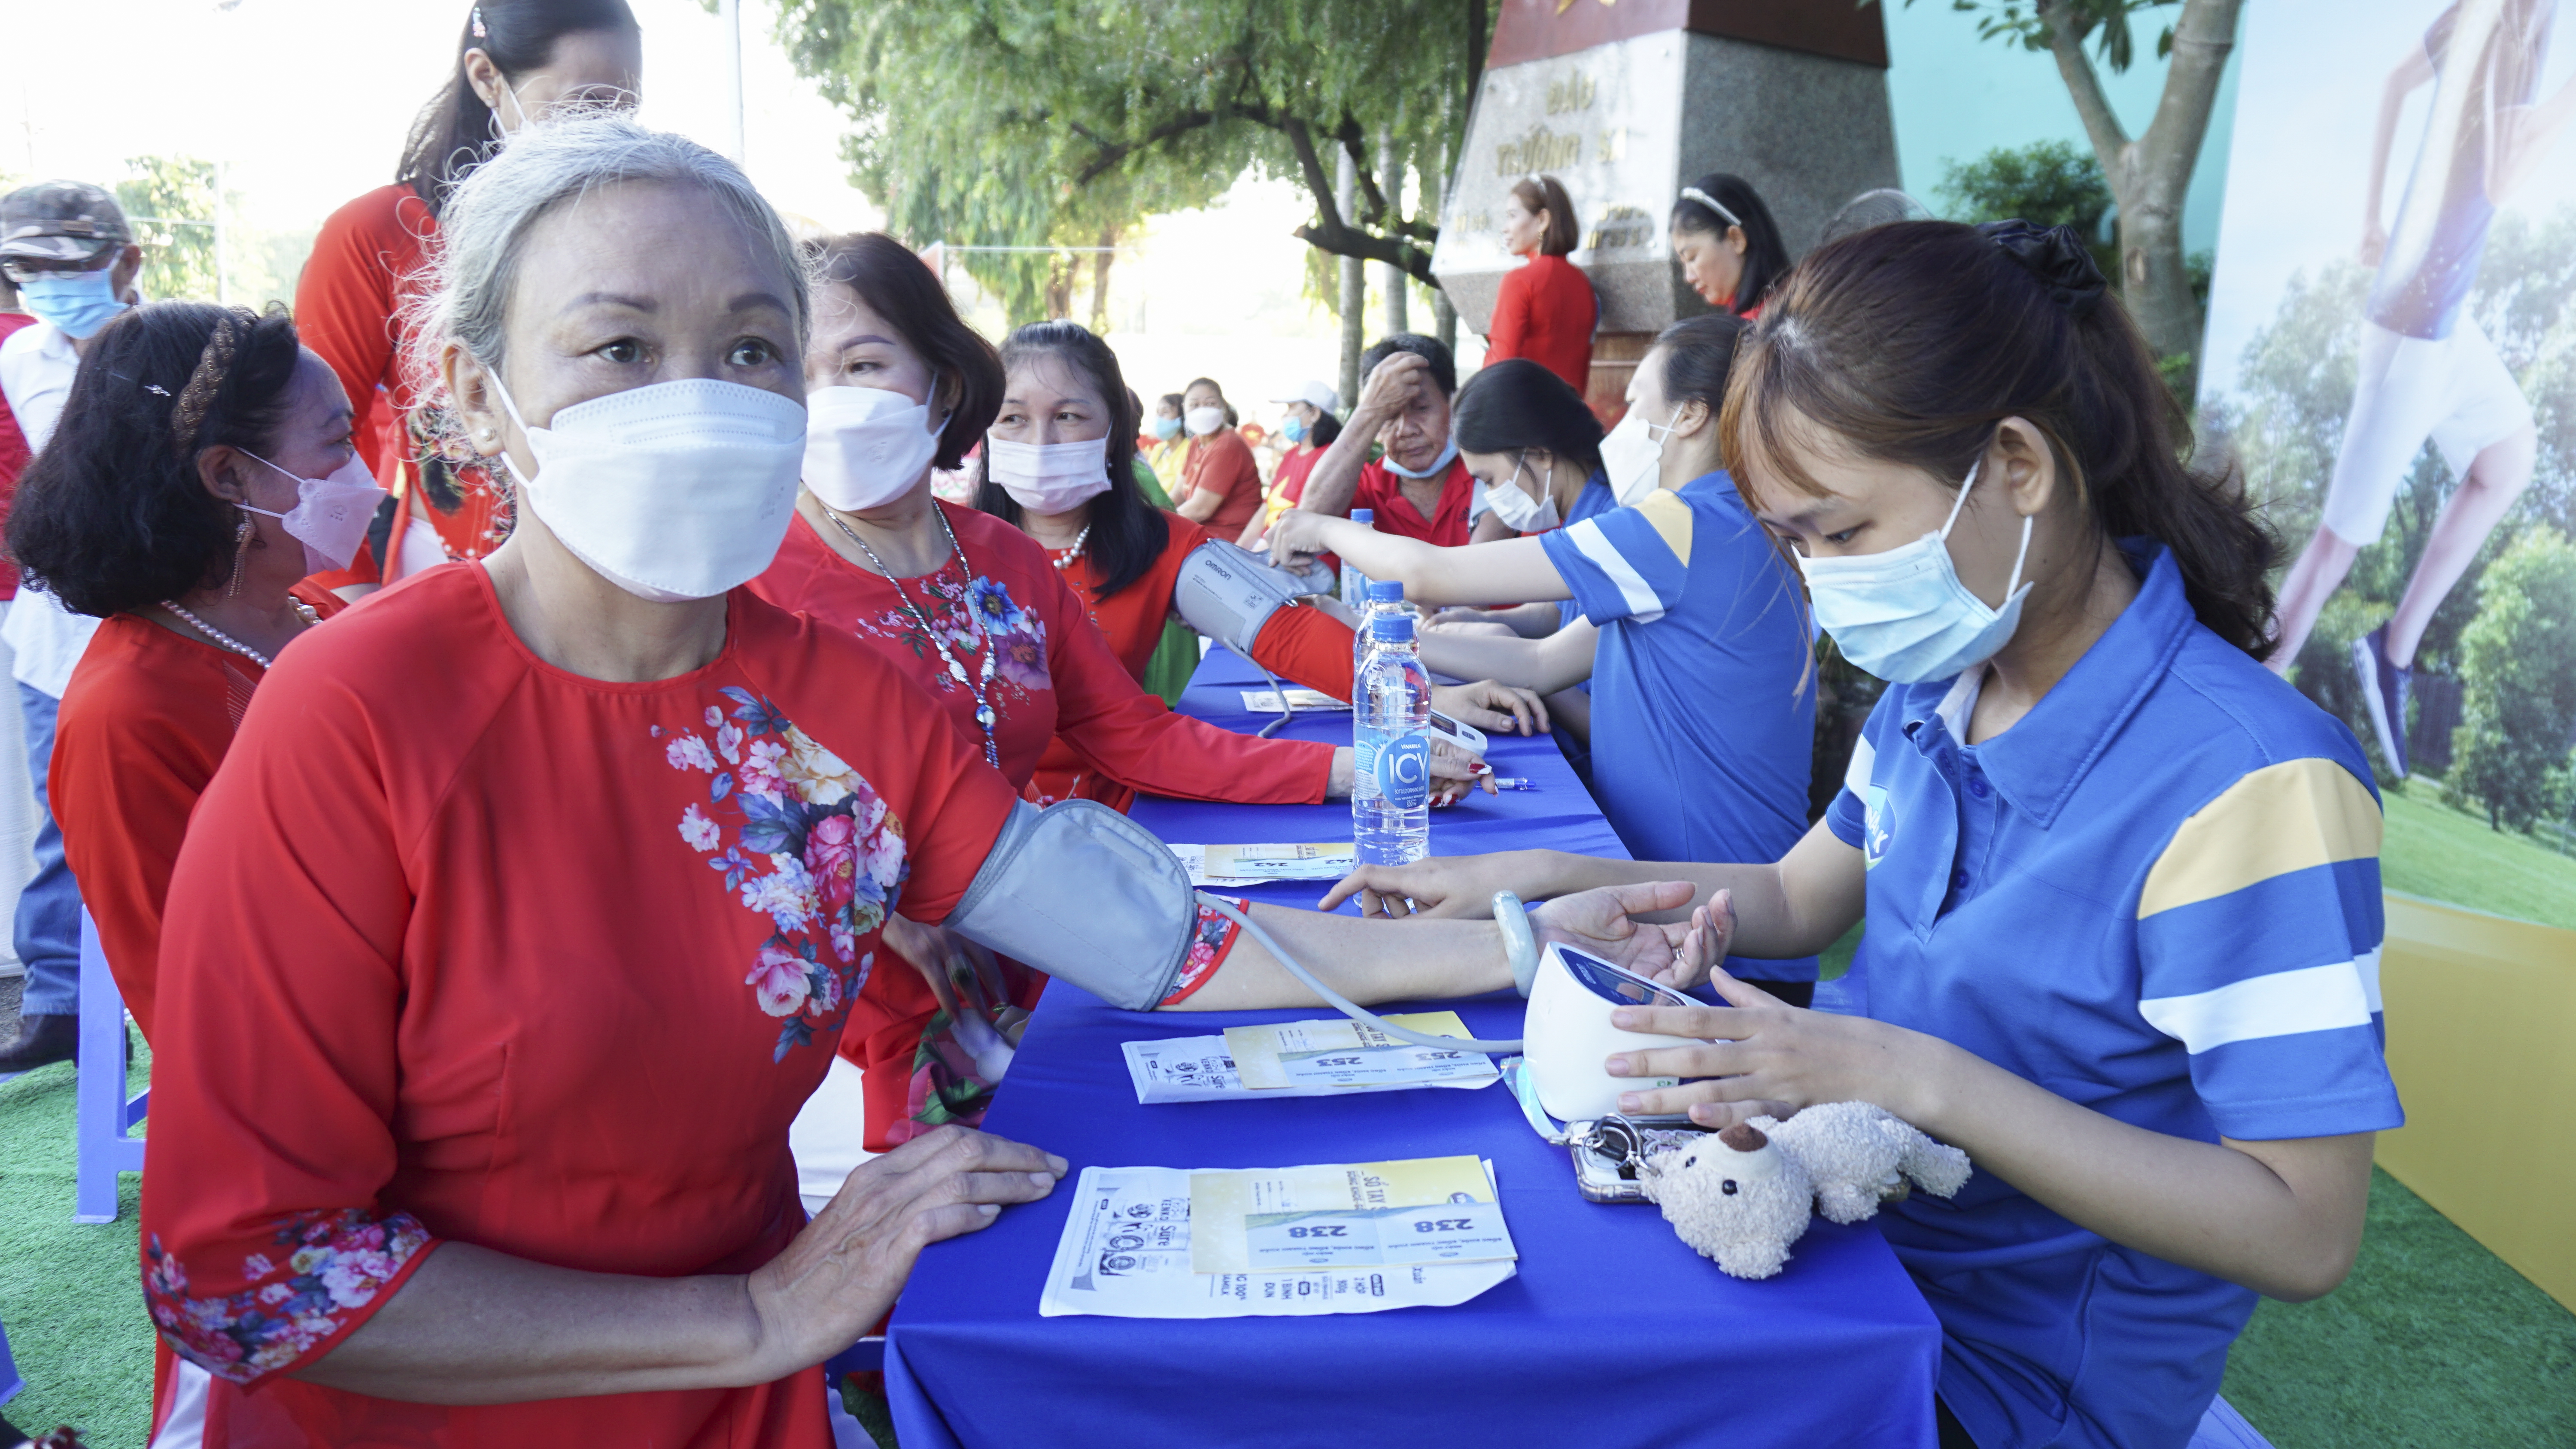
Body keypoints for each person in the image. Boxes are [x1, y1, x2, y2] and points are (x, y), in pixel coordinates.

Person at [134, 113, 1708, 1449]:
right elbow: (253, 1269)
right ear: (477, 395)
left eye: (753, 346)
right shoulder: (357, 714)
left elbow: (1173, 943)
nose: (704, 391)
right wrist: (752, 1309)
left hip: (750, 1396)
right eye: (619, 344)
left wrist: (1527, 944)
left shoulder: (837, 701)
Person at [1328, 221, 2401, 1449]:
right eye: (1794, 543)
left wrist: (1893, 1070)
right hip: (1839, 1242)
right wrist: (1565, 877)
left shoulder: (2252, 785)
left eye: (1842, 535)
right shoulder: (1952, 680)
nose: (1825, 583)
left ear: (2017, 466)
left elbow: (2304, 1229)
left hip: (1997, 1386)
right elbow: (1795, 897)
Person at [748, 238, 1501, 1157]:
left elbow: (1136, 733)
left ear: (943, 384)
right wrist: (860, 895)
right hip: (884, 1000)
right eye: (794, 368)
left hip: (1055, 933)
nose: (832, 401)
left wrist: (1363, 763)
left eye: (862, 365)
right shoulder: (748, 586)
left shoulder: (1003, 561)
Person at [1270, 336, 1819, 997]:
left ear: (1693, 415)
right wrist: (1368, 624)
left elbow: (1430, 573)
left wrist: (1318, 527)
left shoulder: (1681, 525)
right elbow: (1540, 661)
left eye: (1636, 402)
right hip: (1719, 913)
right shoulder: (1729, 523)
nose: (1618, 428)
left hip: (1719, 939)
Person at [977, 323, 1541, 807]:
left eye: (1070, 416)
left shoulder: (1160, 545)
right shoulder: (944, 553)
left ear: (1113, 433)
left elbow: (1287, 633)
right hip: (967, 842)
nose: (1042, 442)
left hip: (1121, 818)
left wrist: (1422, 700)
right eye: (1013, 419)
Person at [10, 303, 359, 1042]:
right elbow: (197, 1001)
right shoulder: (129, 715)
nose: (360, 473)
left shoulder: (322, 615)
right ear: (229, 477)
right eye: (338, 442)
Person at [2266, 0, 2571, 778]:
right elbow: (2503, 178)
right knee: (2339, 543)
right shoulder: (2515, 27)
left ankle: (2392, 650)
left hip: (2443, 318)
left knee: (2511, 451)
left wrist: (2371, 218)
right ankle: (2253, 693)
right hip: (2413, 330)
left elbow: (2396, 82)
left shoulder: (2492, 13)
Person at [295, 0, 643, 587]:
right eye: (584, 107)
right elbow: (316, 437)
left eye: (624, 111)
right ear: (488, 78)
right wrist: (343, 595)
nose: (605, 136)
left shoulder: (645, 233)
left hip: (616, 578)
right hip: (446, 579)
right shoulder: (379, 234)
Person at [0, 180, 143, 1073]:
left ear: (125, 262)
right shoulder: (22, 359)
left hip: (166, 627)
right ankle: (61, 1003)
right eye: (26, 270)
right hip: (56, 635)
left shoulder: (182, 345)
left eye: (68, 266)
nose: (47, 285)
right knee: (64, 822)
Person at [1294, 334, 1478, 548]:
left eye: (1422, 409)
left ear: (1453, 404)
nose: (1406, 430)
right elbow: (1306, 524)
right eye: (1389, 416)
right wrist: (1371, 409)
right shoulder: (1364, 487)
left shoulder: (1486, 476)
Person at [1484, 174, 1598, 393]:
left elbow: (1499, 365)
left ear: (1543, 220)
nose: (1505, 228)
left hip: (1525, 416)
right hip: (1570, 418)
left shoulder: (1519, 281)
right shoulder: (1584, 285)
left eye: (1512, 216)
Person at [1669, 172, 1792, 318]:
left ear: (1736, 239)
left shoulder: (1764, 327)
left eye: (1692, 258)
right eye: (1683, 263)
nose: (1689, 277)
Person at [1238, 379, 1341, 547]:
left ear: (1314, 413)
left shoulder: (1331, 459)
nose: (1285, 416)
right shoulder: (1290, 455)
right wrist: (1239, 550)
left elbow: (1307, 518)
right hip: (1267, 548)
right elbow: (1267, 507)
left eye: (1291, 408)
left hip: (1295, 557)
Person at [1169, 375, 1261, 537]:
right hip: (1203, 534)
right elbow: (1178, 494)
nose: (1202, 410)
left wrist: (1156, 522)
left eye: (1210, 404)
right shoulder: (1197, 441)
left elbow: (1200, 510)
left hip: (1225, 541)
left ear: (1223, 407)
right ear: (1185, 409)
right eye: (1194, 405)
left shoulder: (1228, 444)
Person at [1144, 390, 1188, 477]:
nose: (1159, 418)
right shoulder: (1159, 449)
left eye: (1166, 412)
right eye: (1158, 413)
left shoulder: (1190, 449)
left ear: (1182, 417)